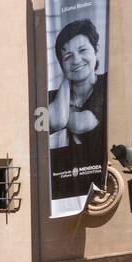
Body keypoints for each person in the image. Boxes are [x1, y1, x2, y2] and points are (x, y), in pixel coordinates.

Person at [47, 19, 107, 165]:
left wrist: (64, 116)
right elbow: (56, 121)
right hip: (60, 179)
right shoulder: (51, 97)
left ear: (96, 49)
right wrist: (66, 81)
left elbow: (81, 124)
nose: (76, 60)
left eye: (82, 50)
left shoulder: (106, 84)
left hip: (103, 173)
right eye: (67, 57)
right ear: (61, 64)